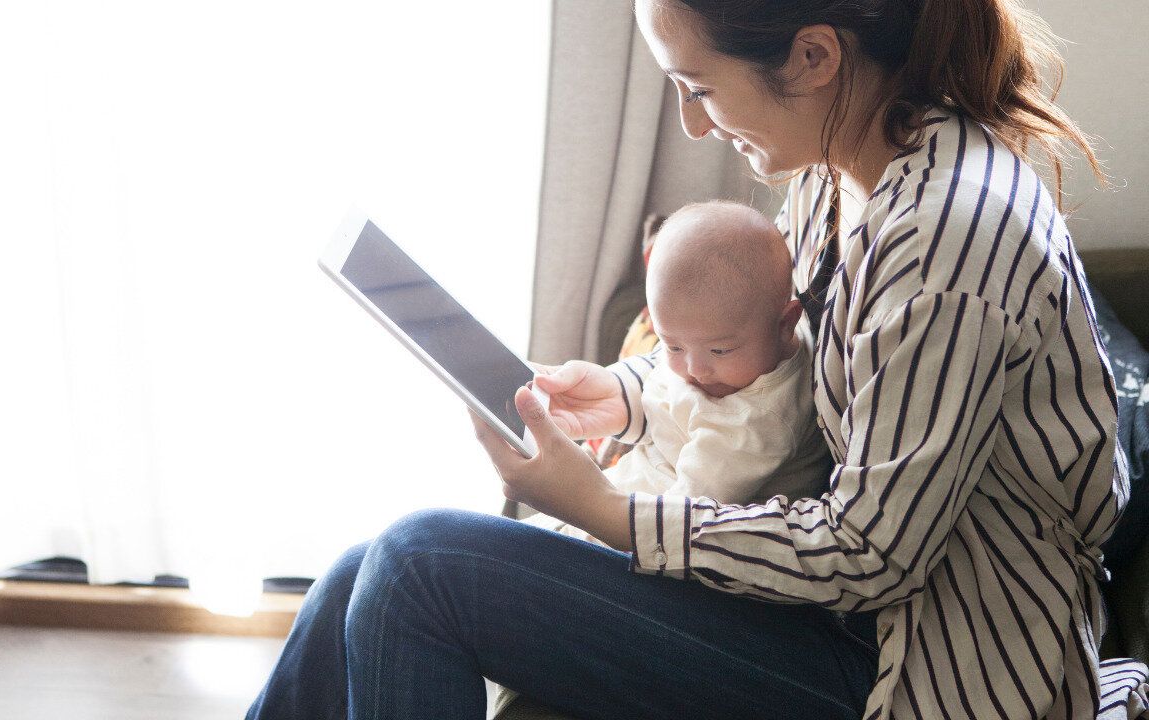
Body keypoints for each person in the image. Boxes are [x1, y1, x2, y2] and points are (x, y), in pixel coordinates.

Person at [246, 0, 1144, 718]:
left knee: (418, 562)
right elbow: (770, 363)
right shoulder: (842, 179)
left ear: (813, 56)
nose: (695, 122)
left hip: (919, 673)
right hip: (841, 624)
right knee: (367, 566)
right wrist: (631, 394)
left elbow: (871, 554)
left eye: (699, 87)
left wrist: (607, 512)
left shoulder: (947, 236)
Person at [527, 200, 827, 542]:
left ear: (786, 323)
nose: (695, 370)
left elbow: (680, 519)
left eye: (719, 350)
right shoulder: (735, 358)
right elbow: (665, 395)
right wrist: (619, 393)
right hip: (629, 492)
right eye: (672, 346)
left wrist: (580, 498)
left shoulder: (757, 422)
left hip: (652, 536)